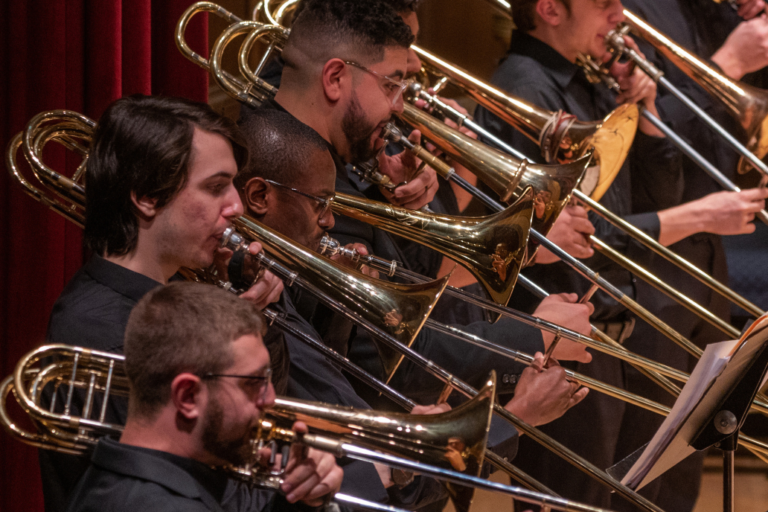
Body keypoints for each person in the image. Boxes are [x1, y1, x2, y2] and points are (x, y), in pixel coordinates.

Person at [475, 0, 768, 509]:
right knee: (580, 497)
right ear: (549, 9)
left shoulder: (588, 81)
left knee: (642, 493)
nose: (620, 15)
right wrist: (698, 216)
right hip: (563, 331)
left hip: (604, 325)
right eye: (606, 4)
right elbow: (583, 238)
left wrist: (649, 111)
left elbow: (654, 191)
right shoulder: (526, 89)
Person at [242, 0, 595, 412]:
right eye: (391, 85)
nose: (399, 107)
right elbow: (386, 357)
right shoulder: (296, 186)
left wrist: (404, 194)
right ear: (335, 77)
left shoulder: (339, 160)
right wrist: (536, 334)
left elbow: (414, 281)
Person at [235, 108, 590, 456]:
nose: (328, 220)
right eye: (392, 82)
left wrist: (441, 182)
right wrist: (527, 364)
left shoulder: (355, 170)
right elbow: (381, 368)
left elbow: (422, 272)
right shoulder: (295, 206)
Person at [41, 95, 284, 512]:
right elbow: (193, 494)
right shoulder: (99, 330)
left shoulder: (174, 295)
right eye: (214, 187)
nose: (237, 207)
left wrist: (250, 330)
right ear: (148, 196)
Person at [605, 1, 768, 510]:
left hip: (708, 246)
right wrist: (728, 65)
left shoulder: (713, 12)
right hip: (651, 254)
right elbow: (640, 137)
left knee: (683, 463)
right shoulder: (627, 14)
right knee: (639, 465)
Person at [65, 281, 343, 512]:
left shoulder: (181, 474)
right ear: (188, 396)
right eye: (253, 383)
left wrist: (304, 500)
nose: (270, 399)